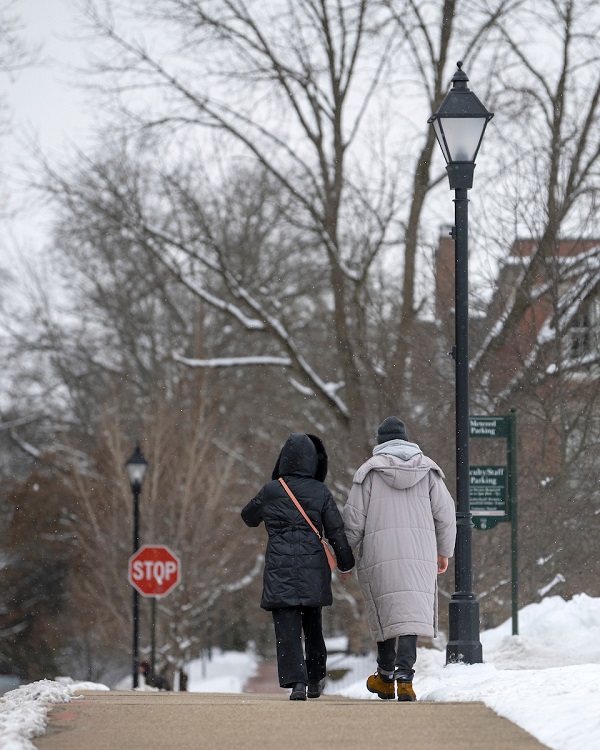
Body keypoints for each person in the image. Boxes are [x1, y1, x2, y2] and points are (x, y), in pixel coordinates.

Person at [342, 417, 456, 701]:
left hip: (380, 553)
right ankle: (405, 678)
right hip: (419, 554)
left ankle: (384, 676)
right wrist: (444, 551)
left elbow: (354, 520)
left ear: (380, 443)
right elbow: (446, 514)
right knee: (410, 615)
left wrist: (344, 556)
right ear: (406, 440)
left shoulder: (369, 473)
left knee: (386, 612)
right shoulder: (429, 472)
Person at [241, 433, 355, 701]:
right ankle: (315, 680)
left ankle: (297, 684)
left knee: (287, 628)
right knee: (313, 624)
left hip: (280, 568)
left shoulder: (271, 491)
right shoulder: (320, 492)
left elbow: (248, 517)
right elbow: (336, 531)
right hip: (313, 568)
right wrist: (346, 564)